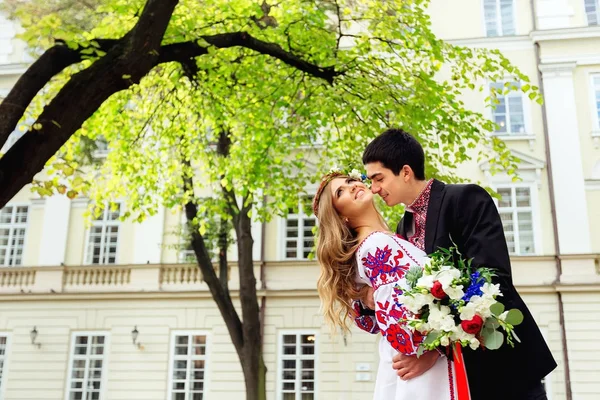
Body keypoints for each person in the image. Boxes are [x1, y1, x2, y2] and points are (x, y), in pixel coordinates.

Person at [361, 128, 557, 400]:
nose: (374, 189)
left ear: (405, 172)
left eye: (378, 178)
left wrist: (435, 351)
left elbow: (492, 280)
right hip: (453, 380)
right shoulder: (402, 227)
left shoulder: (465, 199)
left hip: (501, 367)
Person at [313, 171, 457, 400]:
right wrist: (434, 349)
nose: (351, 187)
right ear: (340, 217)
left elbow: (372, 319)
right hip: (422, 369)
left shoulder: (389, 239)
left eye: (351, 181)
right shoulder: (375, 246)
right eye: (340, 192)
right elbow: (396, 324)